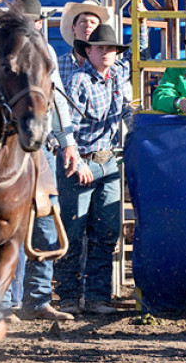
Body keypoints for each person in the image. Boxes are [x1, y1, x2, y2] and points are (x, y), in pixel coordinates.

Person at [0, 0, 80, 322]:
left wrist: (68, 142)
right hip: (7, 149)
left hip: (39, 146)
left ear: (39, 24)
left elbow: (56, 101)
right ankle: (4, 302)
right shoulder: (3, 56)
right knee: (5, 226)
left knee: (45, 222)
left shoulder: (46, 58)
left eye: (29, 21)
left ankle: (38, 299)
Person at [55, 24, 134, 315]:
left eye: (111, 49)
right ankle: (69, 295)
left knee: (106, 231)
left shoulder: (118, 75)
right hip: (81, 159)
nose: (106, 53)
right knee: (73, 232)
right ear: (88, 51)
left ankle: (97, 296)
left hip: (108, 158)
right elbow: (65, 126)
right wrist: (76, 159)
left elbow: (128, 110)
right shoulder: (78, 81)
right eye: (100, 48)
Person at [57, 0, 113, 87]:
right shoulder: (58, 65)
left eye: (93, 22)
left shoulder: (108, 64)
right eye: (83, 22)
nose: (88, 25)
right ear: (73, 28)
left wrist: (142, 23)